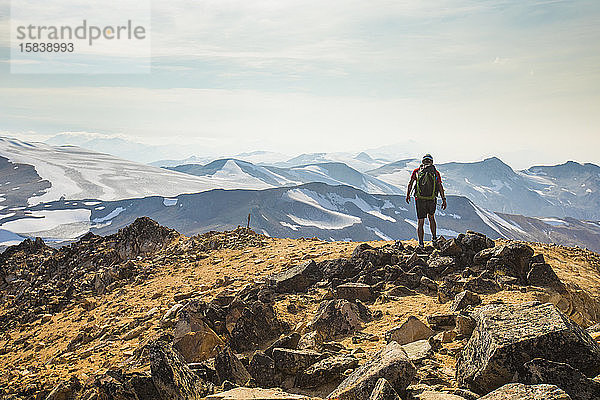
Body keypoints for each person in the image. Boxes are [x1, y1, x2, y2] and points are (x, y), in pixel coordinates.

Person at [406, 154, 447, 248]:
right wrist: (443, 199)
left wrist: (408, 195)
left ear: (422, 161)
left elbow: (410, 183)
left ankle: (421, 243)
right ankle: (434, 239)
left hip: (419, 199)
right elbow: (440, 186)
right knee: (431, 218)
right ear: (432, 162)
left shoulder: (417, 171)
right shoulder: (435, 173)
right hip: (431, 199)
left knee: (420, 222)